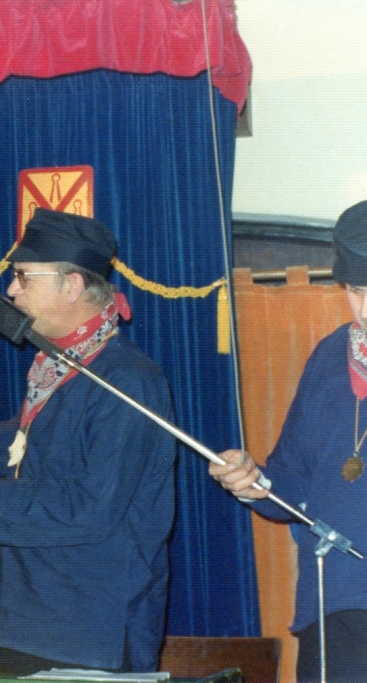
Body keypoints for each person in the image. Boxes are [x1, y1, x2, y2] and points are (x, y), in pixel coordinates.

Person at [0, 209, 177, 676]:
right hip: (32, 618)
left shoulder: (128, 380)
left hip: (90, 629)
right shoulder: (61, 364)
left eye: (24, 277)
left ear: (72, 285)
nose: (11, 291)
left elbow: (91, 504)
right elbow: (59, 443)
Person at [209, 200, 367, 683]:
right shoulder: (329, 356)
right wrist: (253, 480)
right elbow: (292, 481)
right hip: (333, 606)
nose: (365, 310)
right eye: (357, 291)